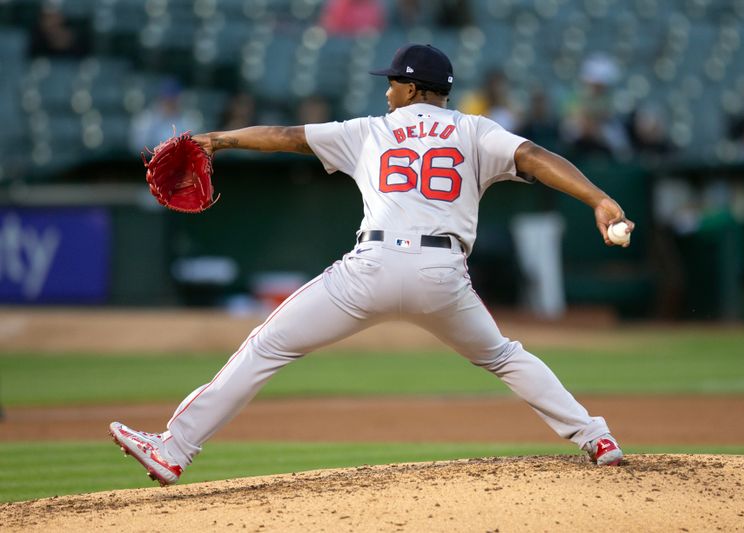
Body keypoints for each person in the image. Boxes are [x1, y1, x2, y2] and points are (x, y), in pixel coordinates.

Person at [110, 44, 633, 486]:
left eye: (392, 83)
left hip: (373, 267)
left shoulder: (370, 130)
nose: (386, 90)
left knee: (267, 346)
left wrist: (221, 139)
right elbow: (537, 156)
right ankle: (596, 436)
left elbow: (288, 137)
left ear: (411, 89)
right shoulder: (476, 130)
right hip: (442, 273)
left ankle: (174, 448)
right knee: (501, 356)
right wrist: (599, 199)